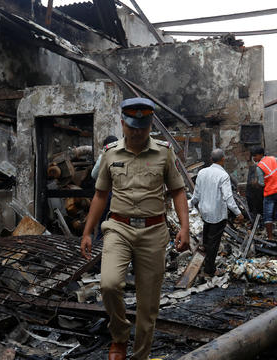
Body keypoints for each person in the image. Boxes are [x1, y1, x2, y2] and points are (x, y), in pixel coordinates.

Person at [80, 97, 189, 360]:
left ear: (150, 125)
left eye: (143, 126)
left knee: (147, 305)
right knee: (108, 284)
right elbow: (100, 195)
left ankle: (140, 355)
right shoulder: (110, 153)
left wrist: (185, 227)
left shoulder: (164, 152)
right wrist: (87, 231)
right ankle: (119, 336)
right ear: (122, 124)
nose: (137, 132)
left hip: (153, 232)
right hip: (118, 228)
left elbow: (177, 190)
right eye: (132, 126)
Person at [191, 149, 243, 278]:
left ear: (210, 159)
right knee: (214, 243)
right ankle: (209, 270)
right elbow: (228, 198)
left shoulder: (202, 172)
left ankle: (204, 257)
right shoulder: (223, 175)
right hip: (217, 214)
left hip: (204, 211)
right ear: (223, 159)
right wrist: (238, 213)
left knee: (207, 239)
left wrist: (190, 204)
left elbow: (196, 194)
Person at [251, 146, 277, 242]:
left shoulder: (259, 167)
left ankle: (270, 238)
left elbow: (262, 183)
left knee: (268, 216)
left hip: (270, 193)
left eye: (255, 156)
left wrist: (256, 183)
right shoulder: (272, 158)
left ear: (261, 155)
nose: (253, 158)